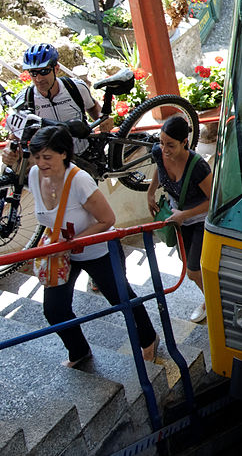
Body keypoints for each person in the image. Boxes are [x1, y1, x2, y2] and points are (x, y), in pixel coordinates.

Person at [32, 126, 158, 366]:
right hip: (61, 254)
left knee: (122, 299)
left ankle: (149, 340)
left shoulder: (79, 180)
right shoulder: (35, 175)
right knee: (54, 309)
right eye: (37, 157)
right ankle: (78, 351)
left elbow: (108, 220)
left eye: (47, 157)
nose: (41, 163)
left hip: (97, 250)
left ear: (64, 154)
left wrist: (71, 243)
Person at [146, 117, 213, 324]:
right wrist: (150, 193)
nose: (164, 149)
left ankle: (211, 302)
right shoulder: (159, 152)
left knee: (193, 271)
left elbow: (214, 201)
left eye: (170, 145)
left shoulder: (198, 166)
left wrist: (184, 215)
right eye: (161, 142)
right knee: (186, 262)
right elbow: (160, 169)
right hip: (179, 218)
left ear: (185, 142)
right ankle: (212, 297)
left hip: (199, 219)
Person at [3, 43, 107, 165]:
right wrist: (8, 150)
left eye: (44, 71)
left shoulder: (75, 88)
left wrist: (102, 118)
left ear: (56, 69)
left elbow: (93, 107)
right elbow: (15, 135)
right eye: (33, 73)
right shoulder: (25, 99)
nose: (39, 79)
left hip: (83, 157)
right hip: (51, 165)